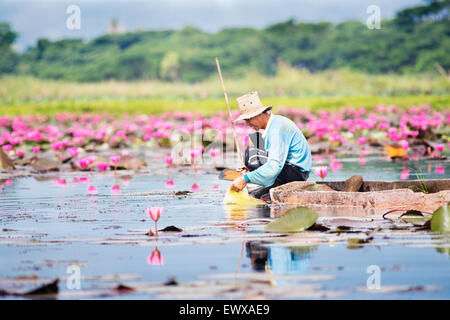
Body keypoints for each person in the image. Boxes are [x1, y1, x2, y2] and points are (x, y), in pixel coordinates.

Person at [230, 91, 312, 200]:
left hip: (296, 173)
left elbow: (274, 165)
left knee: (252, 155)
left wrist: (245, 178)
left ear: (259, 114)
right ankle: (274, 185)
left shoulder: (277, 128)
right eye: (246, 120)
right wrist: (249, 169)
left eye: (249, 119)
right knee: (254, 195)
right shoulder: (273, 125)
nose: (248, 124)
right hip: (287, 169)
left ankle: (276, 184)